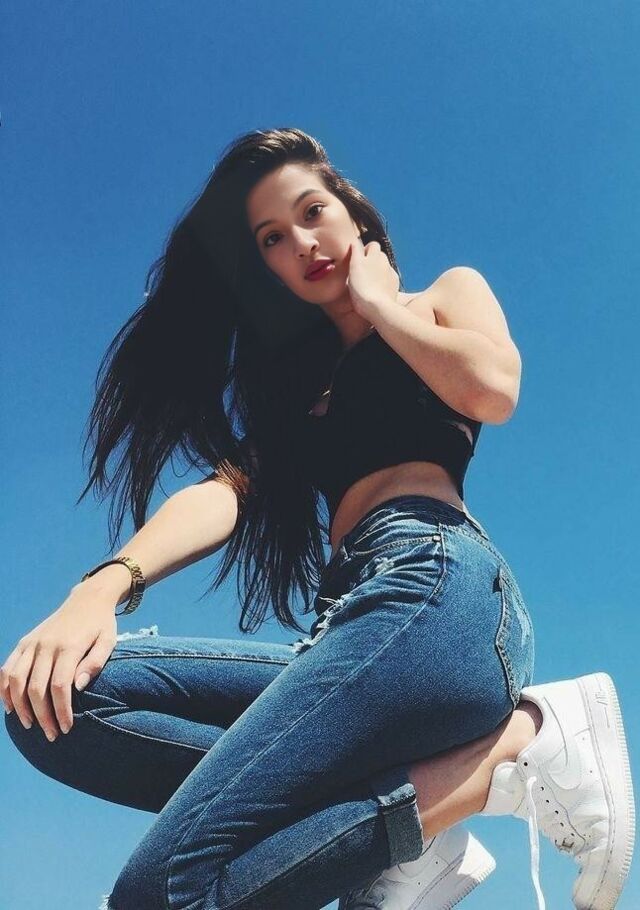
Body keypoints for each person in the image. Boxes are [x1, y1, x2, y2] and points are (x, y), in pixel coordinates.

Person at [2, 127, 634, 910]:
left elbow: (492, 389)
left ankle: (510, 753)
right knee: (58, 705)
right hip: (344, 627)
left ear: (352, 212)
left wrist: (378, 303)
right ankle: (417, 820)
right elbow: (222, 495)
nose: (300, 242)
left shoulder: (438, 298)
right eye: (272, 237)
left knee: (160, 893)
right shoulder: (298, 394)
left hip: (433, 589)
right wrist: (99, 589)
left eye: (311, 212)